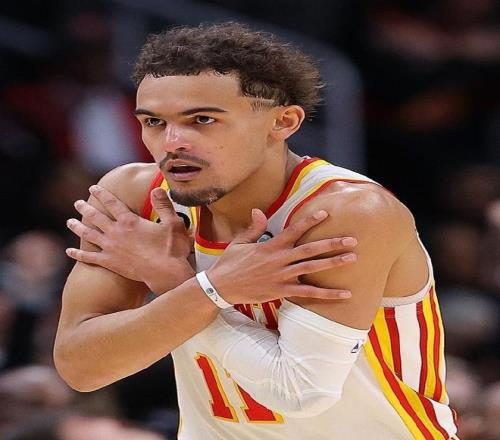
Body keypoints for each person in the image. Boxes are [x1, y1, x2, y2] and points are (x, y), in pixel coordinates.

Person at [54, 22, 459, 439]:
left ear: (283, 122)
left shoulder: (345, 212)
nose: (172, 142)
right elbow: (81, 368)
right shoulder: (135, 197)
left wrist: (184, 285)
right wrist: (207, 290)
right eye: (154, 122)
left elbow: (300, 391)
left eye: (202, 119)